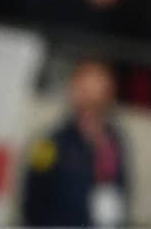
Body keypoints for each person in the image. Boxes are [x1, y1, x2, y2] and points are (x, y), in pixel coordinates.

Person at [22, 60, 130, 227]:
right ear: (74, 92)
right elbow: (33, 201)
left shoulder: (114, 142)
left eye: (100, 91)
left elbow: (120, 196)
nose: (92, 99)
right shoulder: (50, 143)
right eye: (86, 90)